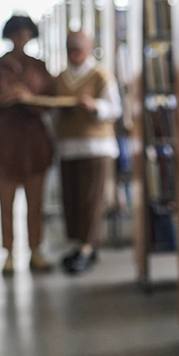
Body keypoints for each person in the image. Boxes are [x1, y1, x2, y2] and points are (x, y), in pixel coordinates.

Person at [0, 14, 56, 276]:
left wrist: (28, 97)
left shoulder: (38, 66)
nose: (21, 39)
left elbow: (50, 99)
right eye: (16, 34)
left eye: (25, 34)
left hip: (34, 142)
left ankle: (36, 250)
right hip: (5, 144)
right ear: (9, 36)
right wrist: (8, 98)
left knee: (36, 203)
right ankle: (9, 253)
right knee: (6, 202)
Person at [54, 31, 123, 274]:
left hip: (95, 147)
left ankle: (87, 245)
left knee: (91, 199)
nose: (74, 54)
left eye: (78, 49)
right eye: (70, 49)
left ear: (89, 49)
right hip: (68, 147)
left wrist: (95, 106)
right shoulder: (61, 78)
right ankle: (80, 245)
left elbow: (115, 109)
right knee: (72, 199)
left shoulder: (100, 75)